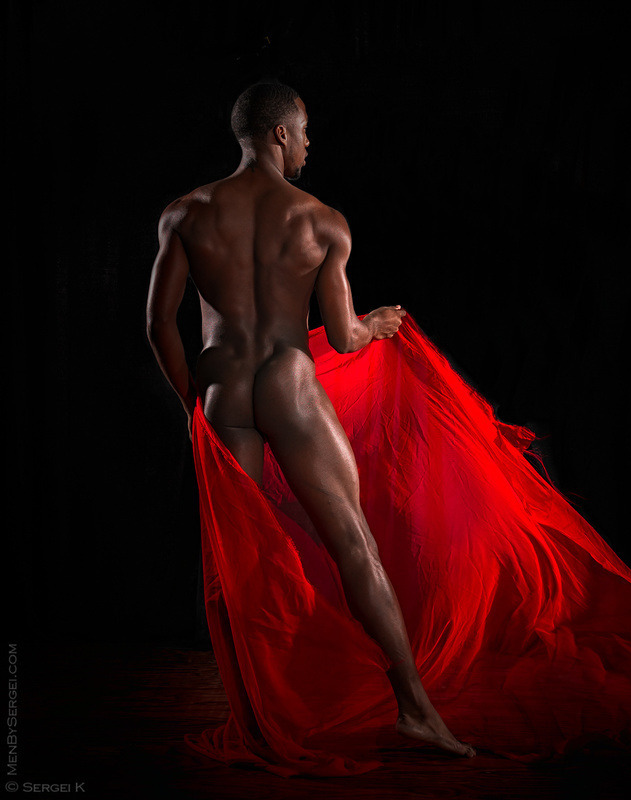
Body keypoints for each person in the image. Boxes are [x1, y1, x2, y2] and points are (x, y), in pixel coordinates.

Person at [146, 81, 476, 759]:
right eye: (303, 134)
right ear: (279, 133)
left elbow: (159, 325)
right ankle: (416, 710)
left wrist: (190, 406)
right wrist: (376, 323)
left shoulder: (184, 214)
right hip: (287, 384)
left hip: (221, 390)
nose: (306, 146)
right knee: (355, 545)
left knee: (237, 561)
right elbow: (345, 336)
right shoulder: (322, 221)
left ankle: (258, 721)